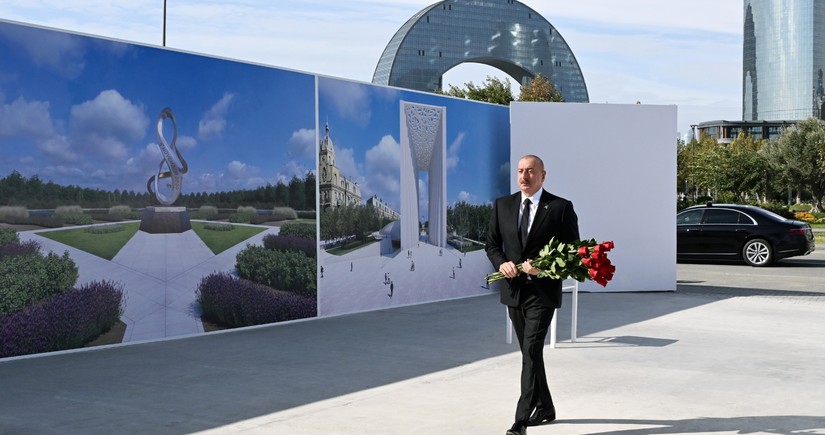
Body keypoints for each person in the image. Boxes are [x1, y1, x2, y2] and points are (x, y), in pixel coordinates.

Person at [485, 154, 580, 435]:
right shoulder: (503, 205)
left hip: (542, 292)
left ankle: (520, 421)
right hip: (514, 292)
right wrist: (500, 262)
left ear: (543, 175)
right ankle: (546, 406)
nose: (524, 176)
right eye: (520, 171)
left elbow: (573, 251)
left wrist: (545, 269)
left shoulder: (560, 208)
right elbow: (491, 244)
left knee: (530, 349)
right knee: (531, 354)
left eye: (530, 171)